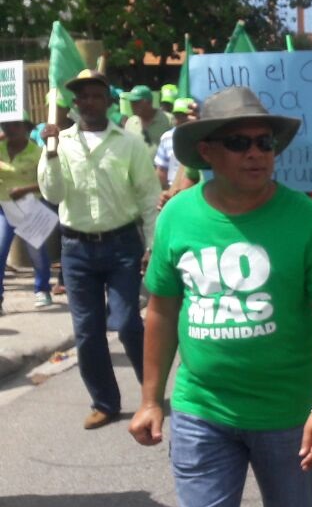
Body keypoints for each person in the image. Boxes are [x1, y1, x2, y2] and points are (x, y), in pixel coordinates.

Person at [127, 85, 312, 507]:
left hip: (287, 416)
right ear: (206, 151)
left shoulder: (305, 218)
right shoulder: (177, 217)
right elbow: (161, 309)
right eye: (238, 141)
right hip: (201, 411)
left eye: (265, 142)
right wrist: (150, 399)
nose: (255, 152)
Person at [38, 69, 161, 429]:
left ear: (108, 101)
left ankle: (150, 394)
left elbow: (148, 197)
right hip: (76, 249)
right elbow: (53, 194)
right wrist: (51, 153)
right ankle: (105, 402)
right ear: (74, 104)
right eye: (82, 97)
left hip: (122, 244)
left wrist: (151, 245)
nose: (89, 102)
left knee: (126, 323)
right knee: (87, 331)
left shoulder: (129, 144)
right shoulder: (59, 142)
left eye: (96, 95)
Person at [0, 117, 54, 311]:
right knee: (0, 249)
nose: (10, 129)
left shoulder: (37, 153)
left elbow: (48, 183)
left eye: (16, 125)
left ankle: (42, 288)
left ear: (26, 128)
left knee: (36, 253)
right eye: (6, 125)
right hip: (4, 208)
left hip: (29, 208)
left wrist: (24, 190)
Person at [155, 98, 197, 189]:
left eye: (183, 115)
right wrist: (167, 192)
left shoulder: (201, 137)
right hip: (173, 190)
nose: (179, 119)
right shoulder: (167, 138)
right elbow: (161, 169)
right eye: (177, 115)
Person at [122, 84, 173, 148]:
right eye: (131, 102)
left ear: (149, 102)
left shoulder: (169, 120)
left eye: (136, 102)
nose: (132, 105)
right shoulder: (130, 122)